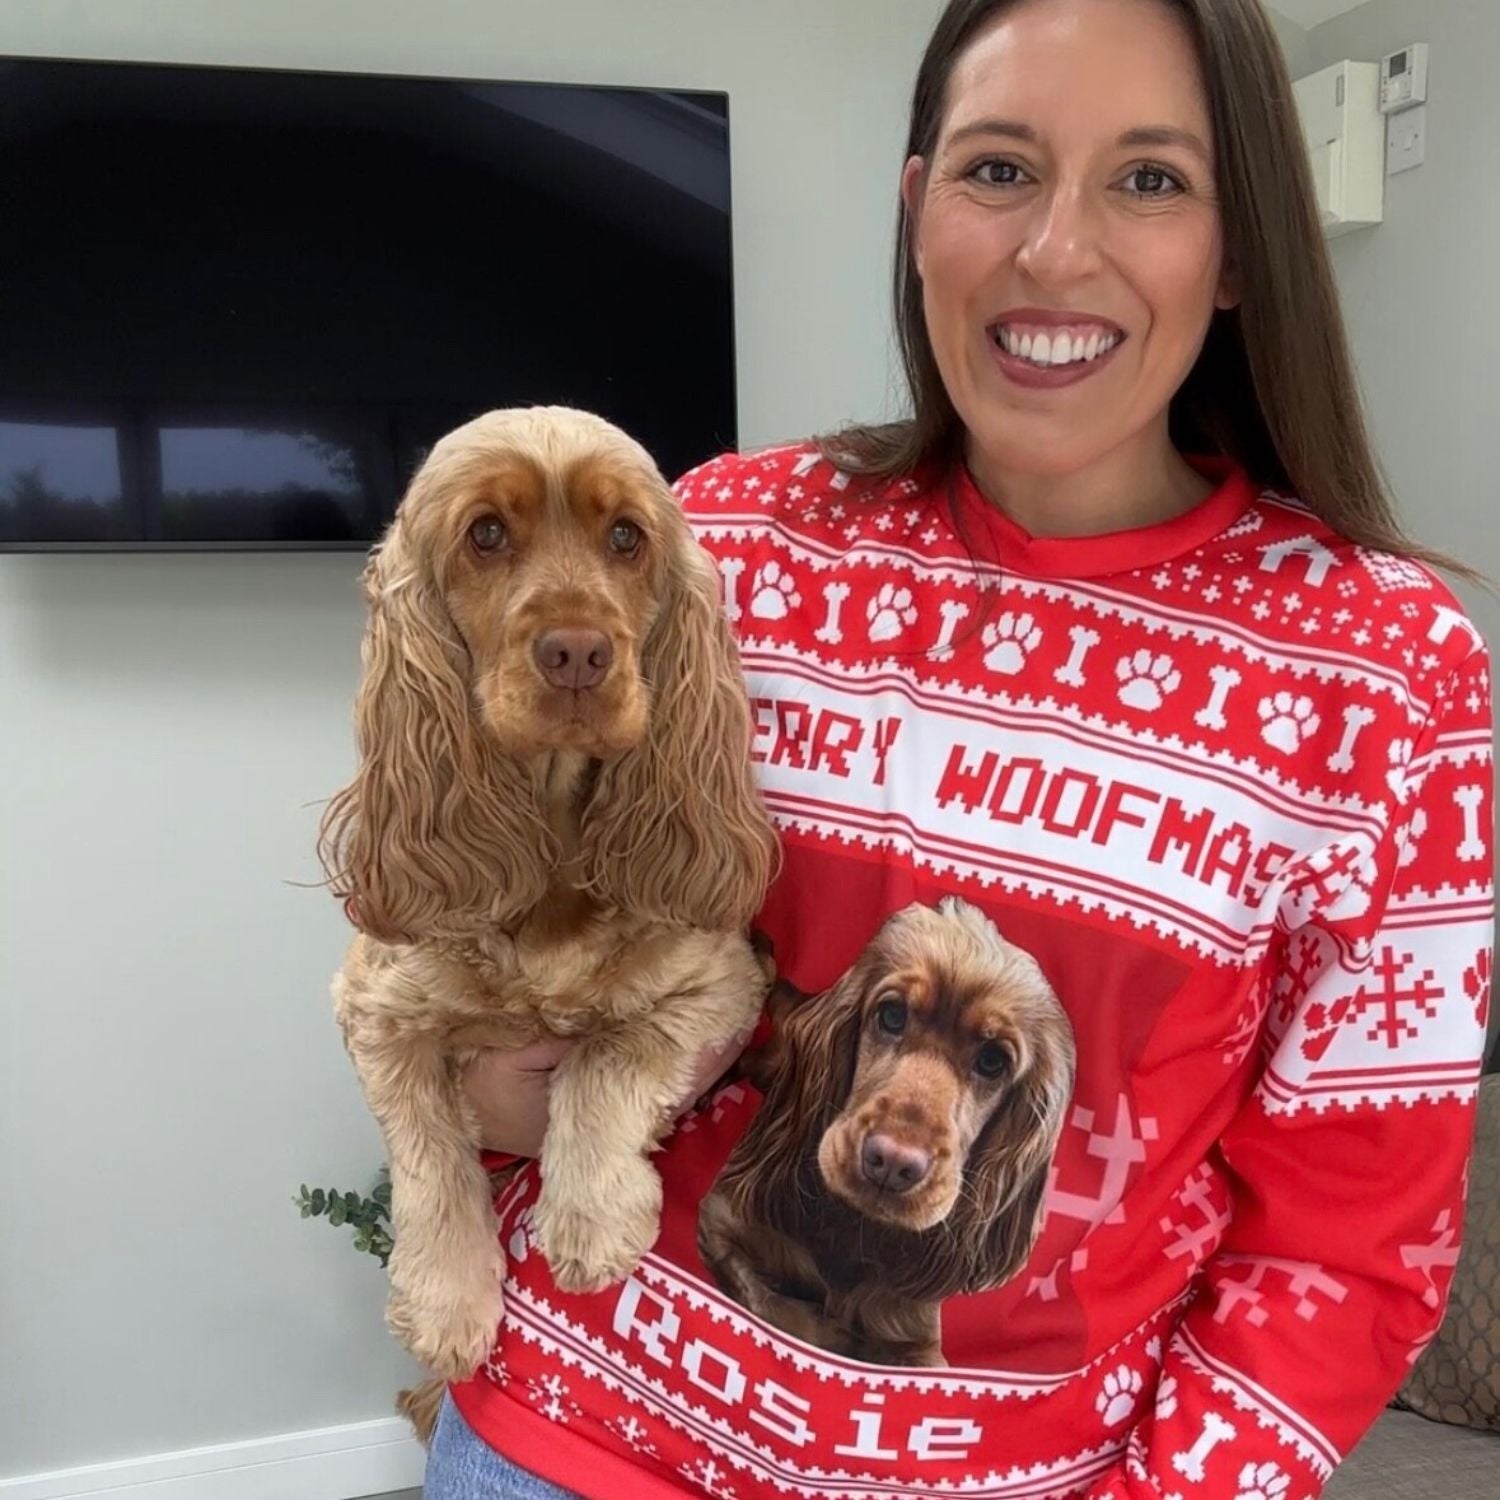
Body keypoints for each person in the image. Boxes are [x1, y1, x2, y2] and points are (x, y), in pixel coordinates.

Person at [423, 1, 1495, 1495]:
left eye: (1150, 179)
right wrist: (481, 1095)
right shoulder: (720, 550)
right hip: (569, 1440)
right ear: (918, 207)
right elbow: (476, 904)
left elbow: (1346, 1251)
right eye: (1000, 170)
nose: (1055, 250)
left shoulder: (1383, 675)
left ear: (1239, 247)